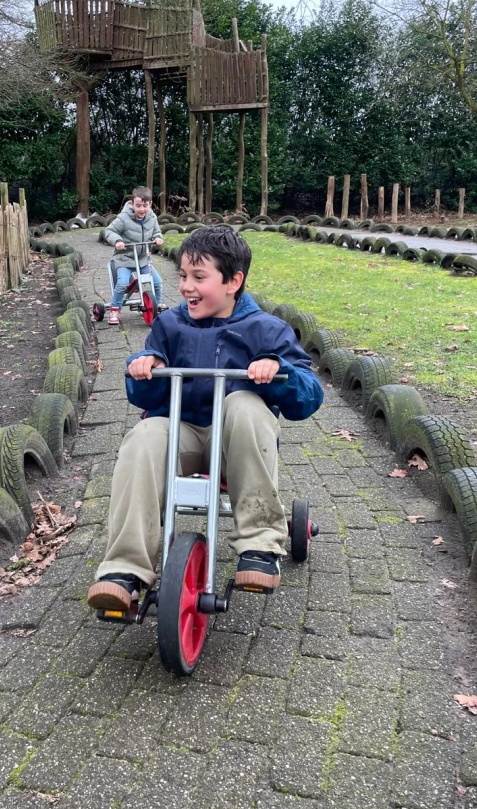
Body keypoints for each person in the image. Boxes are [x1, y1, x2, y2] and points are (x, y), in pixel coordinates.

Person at [87, 225, 324, 613]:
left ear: (234, 281)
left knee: (245, 405)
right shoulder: (169, 325)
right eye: (182, 276)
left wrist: (277, 369)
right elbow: (146, 392)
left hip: (232, 442)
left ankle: (260, 545)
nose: (186, 286)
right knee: (144, 434)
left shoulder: (265, 329)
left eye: (199, 277)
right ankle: (125, 569)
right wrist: (143, 367)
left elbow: (308, 395)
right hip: (181, 431)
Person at [104, 187, 165, 325]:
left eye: (145, 205)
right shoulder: (123, 218)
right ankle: (115, 309)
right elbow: (109, 231)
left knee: (157, 281)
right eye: (138, 205)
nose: (142, 209)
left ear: (150, 204)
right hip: (124, 258)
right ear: (132, 204)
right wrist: (118, 241)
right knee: (122, 283)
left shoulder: (152, 217)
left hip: (143, 259)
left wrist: (158, 238)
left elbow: (156, 232)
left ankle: (158, 304)